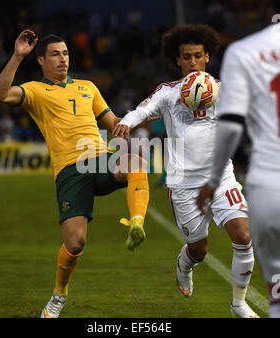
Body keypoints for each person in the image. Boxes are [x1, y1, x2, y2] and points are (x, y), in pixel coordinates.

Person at [0, 30, 150, 318]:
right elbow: (0, 94)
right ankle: (59, 295)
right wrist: (16, 56)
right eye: (55, 54)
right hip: (69, 171)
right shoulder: (35, 91)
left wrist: (146, 113)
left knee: (136, 162)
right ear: (41, 60)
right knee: (75, 243)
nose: (63, 58)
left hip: (99, 159)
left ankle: (136, 223)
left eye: (65, 53)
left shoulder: (88, 86)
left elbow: (114, 122)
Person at [113, 24, 259, 318]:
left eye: (197, 56)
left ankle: (239, 303)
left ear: (207, 57)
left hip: (220, 179)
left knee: (242, 236)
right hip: (183, 186)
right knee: (199, 250)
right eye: (186, 58)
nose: (192, 63)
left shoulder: (223, 90)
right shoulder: (168, 93)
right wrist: (127, 122)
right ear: (177, 61)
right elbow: (144, 109)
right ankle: (185, 264)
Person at [197, 7, 280, 318]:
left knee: (277, 297)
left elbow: (231, 124)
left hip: (269, 184)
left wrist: (214, 180)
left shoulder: (244, 51)